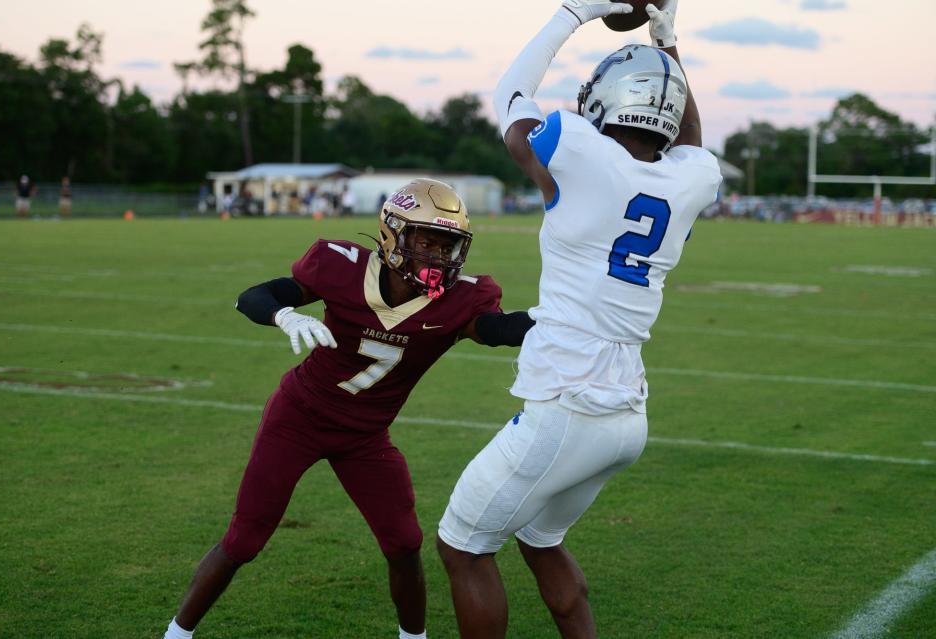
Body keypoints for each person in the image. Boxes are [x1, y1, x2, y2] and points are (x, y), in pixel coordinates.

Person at [436, 2, 722, 637]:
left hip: (565, 404)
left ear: (606, 101)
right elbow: (692, 140)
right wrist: (666, 38)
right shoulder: (690, 177)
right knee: (539, 540)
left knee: (462, 545)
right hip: (626, 414)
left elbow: (511, 93)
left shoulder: (578, 147)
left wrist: (575, 12)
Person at [161, 179, 535, 639]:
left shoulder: (461, 300)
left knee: (404, 543)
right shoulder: (341, 267)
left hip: (365, 437)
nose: (439, 256)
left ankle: (411, 638)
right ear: (394, 235)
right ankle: (176, 633)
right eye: (427, 240)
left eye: (449, 244)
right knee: (244, 539)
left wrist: (553, 319)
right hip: (297, 419)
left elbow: (497, 329)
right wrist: (285, 315)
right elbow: (252, 297)